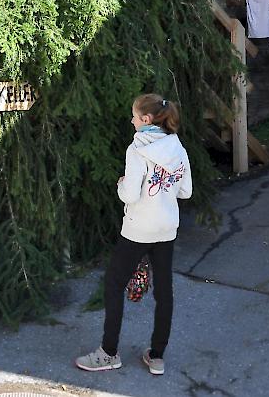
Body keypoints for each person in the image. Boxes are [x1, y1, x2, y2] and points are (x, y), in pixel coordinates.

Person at [76, 93, 192, 377]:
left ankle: (108, 352)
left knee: (114, 285)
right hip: (166, 228)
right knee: (164, 291)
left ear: (146, 119)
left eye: (134, 116)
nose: (131, 120)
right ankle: (157, 356)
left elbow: (130, 194)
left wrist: (122, 184)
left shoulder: (136, 149)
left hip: (138, 228)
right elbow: (185, 191)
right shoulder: (176, 146)